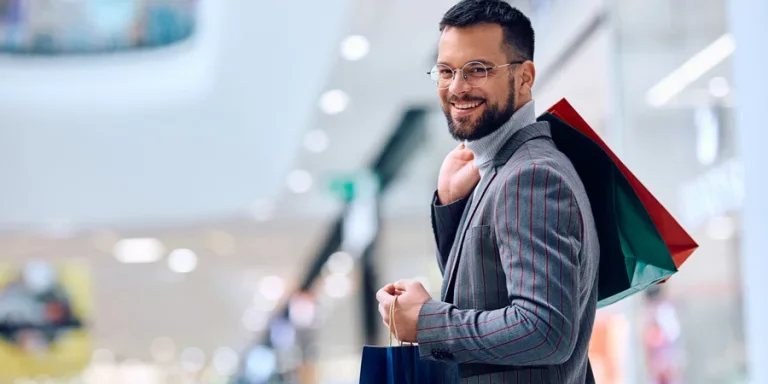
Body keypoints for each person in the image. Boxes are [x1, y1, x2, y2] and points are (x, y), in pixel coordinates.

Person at [375, 1, 600, 382]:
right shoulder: (502, 172)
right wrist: (452, 204)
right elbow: (484, 295)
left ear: (525, 77)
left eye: (477, 70)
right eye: (446, 71)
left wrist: (426, 322)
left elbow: (544, 332)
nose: (457, 88)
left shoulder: (529, 176)